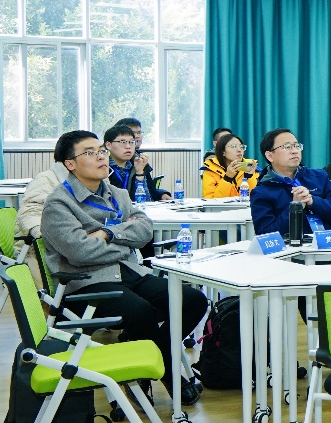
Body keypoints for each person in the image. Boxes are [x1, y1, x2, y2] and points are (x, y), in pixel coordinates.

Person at [41, 130, 207, 405]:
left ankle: (147, 360)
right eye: (90, 153)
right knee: (139, 311)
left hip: (130, 272)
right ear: (70, 164)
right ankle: (168, 375)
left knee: (192, 300)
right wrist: (124, 241)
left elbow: (145, 231)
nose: (100, 157)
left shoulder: (117, 193)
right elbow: (80, 252)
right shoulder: (58, 204)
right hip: (87, 282)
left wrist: (107, 234)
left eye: (101, 151)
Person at [250, 129, 331, 237]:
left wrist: (312, 201)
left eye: (297, 146)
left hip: (324, 243)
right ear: (270, 156)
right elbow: (265, 235)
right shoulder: (262, 192)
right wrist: (295, 207)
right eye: (287, 147)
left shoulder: (318, 176)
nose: (295, 151)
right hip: (289, 247)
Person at [103, 122, 171, 201]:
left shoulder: (138, 164)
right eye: (123, 142)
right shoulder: (102, 166)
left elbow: (145, 200)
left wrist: (140, 173)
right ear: (108, 145)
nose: (128, 146)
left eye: (132, 142)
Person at [201, 132, 259, 199]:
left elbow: (255, 198)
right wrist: (227, 178)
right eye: (233, 146)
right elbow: (210, 200)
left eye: (241, 147)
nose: (239, 150)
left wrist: (249, 176)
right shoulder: (210, 170)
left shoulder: (249, 167)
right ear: (223, 152)